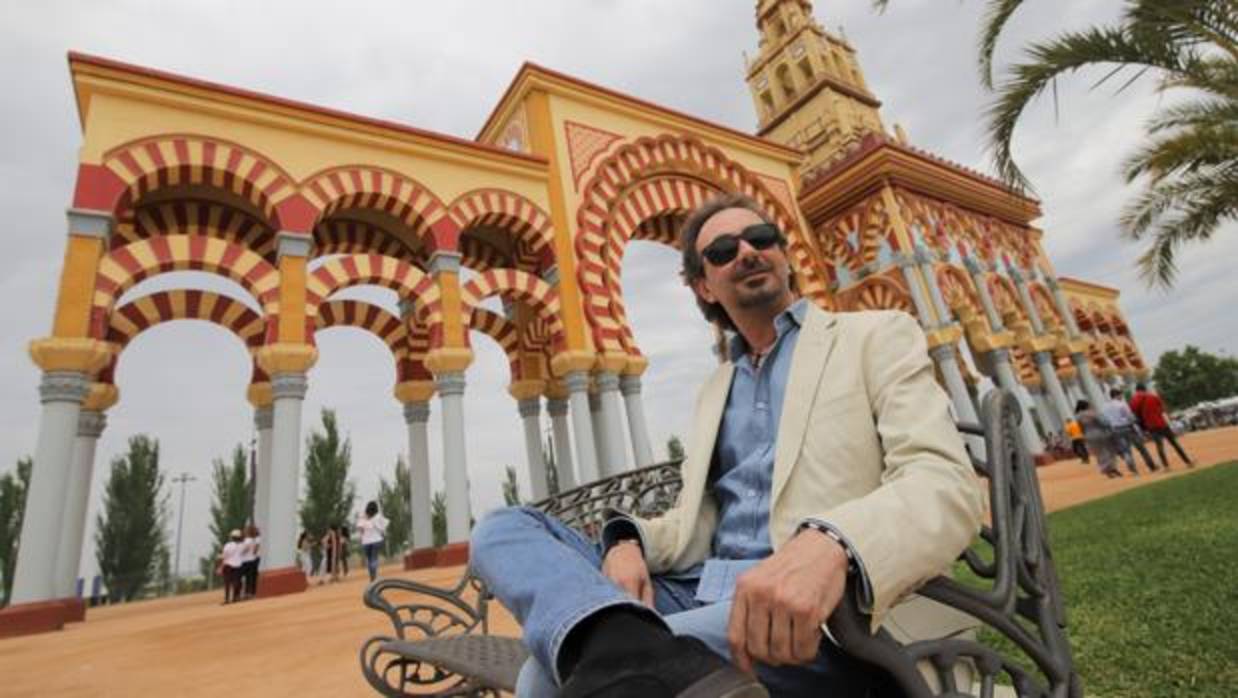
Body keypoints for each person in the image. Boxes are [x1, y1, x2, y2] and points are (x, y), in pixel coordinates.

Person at [469, 194, 985, 698]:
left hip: (822, 607)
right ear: (704, 286)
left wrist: (835, 541)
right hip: (698, 586)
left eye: (760, 238)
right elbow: (695, 522)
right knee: (504, 526)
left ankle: (627, 650)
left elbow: (945, 483)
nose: (747, 252)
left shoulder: (873, 336)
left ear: (784, 255)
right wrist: (624, 543)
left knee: (545, 676)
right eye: (722, 251)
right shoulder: (715, 390)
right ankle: (623, 642)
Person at [1130, 383, 1195, 469]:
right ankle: (1187, 461)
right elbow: (1162, 410)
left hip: (1150, 426)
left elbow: (1133, 413)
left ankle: (1166, 466)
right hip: (1161, 423)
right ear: (1145, 389)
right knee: (1174, 443)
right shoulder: (1153, 396)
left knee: (1159, 446)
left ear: (1136, 390)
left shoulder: (1134, 400)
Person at [1100, 389, 1161, 474]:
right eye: (1121, 395)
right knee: (1141, 448)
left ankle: (1133, 469)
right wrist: (1136, 421)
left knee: (1126, 450)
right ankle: (1151, 466)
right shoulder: (1122, 404)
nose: (1122, 397)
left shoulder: (1105, 407)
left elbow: (1105, 420)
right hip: (1128, 428)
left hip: (1116, 429)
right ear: (1117, 395)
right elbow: (1129, 416)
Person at [1075, 400, 1120, 478]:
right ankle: (1112, 468)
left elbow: (1081, 428)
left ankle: (1107, 471)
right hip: (1101, 434)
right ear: (1087, 406)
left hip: (1089, 436)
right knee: (1109, 451)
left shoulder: (1078, 416)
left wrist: (1085, 437)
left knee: (1099, 454)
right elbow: (1103, 423)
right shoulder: (1092, 413)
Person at [357, 501, 389, 582]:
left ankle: (372, 577)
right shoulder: (378, 516)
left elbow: (360, 529)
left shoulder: (363, 517)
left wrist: (361, 538)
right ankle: (375, 575)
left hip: (366, 542)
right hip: (376, 540)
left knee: (369, 559)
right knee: (374, 558)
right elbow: (383, 528)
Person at [219, 529, 245, 604]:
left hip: (228, 565)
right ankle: (234, 597)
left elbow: (224, 556)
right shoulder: (242, 545)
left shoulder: (228, 545)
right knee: (236, 582)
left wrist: (221, 566)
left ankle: (227, 599)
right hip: (238, 565)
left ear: (232, 537)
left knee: (227, 583)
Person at [239, 525, 261, 599]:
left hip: (246, 561)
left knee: (241, 577)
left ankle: (244, 593)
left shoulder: (247, 541)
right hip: (252, 560)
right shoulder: (252, 540)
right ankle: (250, 593)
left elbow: (244, 550)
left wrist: (238, 553)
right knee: (250, 577)